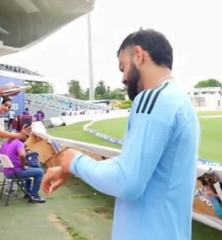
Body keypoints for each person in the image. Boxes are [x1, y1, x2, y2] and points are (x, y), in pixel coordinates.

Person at [41, 29, 200, 240]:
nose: (124, 78)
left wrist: (75, 161)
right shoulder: (180, 100)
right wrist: (73, 168)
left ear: (138, 55)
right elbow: (137, 168)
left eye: (123, 67)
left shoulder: (152, 99)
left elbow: (126, 182)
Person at [5, 136, 46, 203]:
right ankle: (34, 196)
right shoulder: (19, 143)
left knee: (31, 170)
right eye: (27, 136)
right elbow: (22, 155)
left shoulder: (12, 143)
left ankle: (28, 192)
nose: (27, 138)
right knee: (40, 172)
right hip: (15, 172)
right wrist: (23, 166)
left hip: (8, 171)